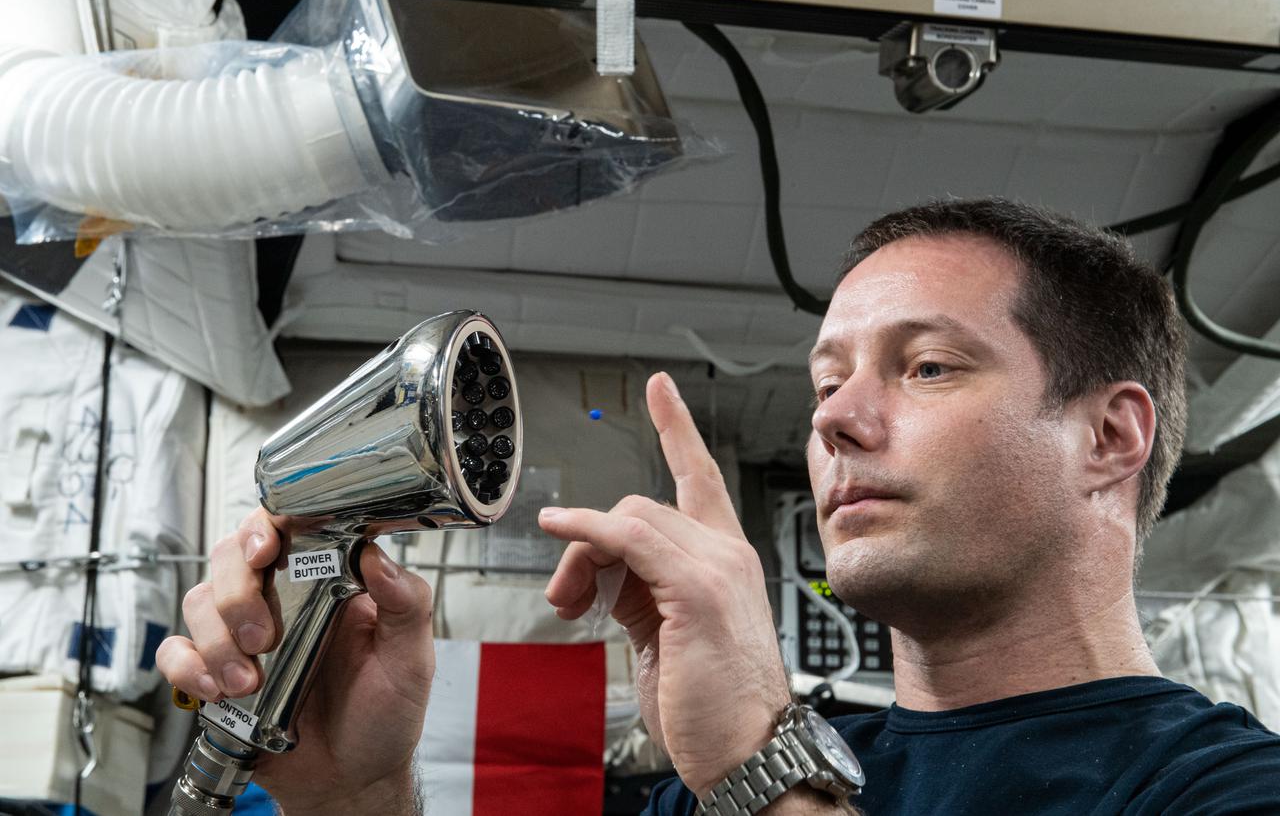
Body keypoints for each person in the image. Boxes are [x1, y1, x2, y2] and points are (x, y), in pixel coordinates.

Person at [158, 198, 1280, 815]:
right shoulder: (712, 794)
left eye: (927, 366)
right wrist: (356, 794)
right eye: (825, 383)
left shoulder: (1221, 793)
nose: (836, 421)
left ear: (1109, 436)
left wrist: (759, 759)